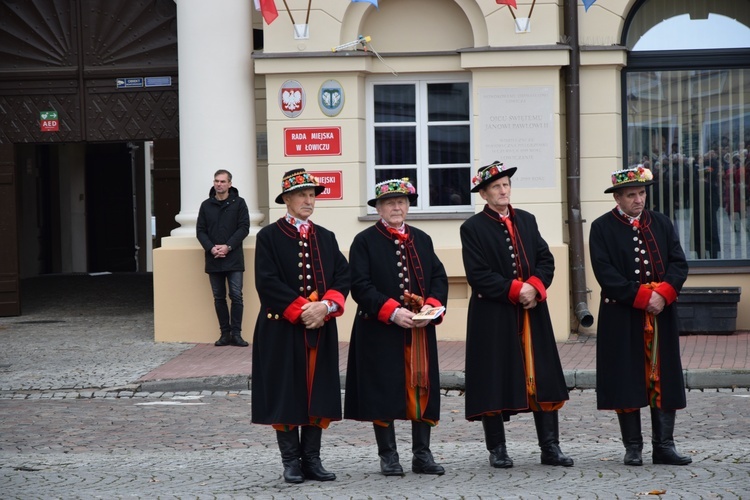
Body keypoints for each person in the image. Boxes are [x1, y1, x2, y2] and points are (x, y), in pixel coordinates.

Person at [460, 161, 573, 469]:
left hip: (532, 312)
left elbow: (545, 260)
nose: (503, 190)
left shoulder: (526, 219)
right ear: (483, 194)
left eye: (506, 184)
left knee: (543, 376)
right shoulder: (472, 228)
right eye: (496, 186)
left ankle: (550, 446)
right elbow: (478, 274)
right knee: (493, 377)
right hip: (493, 316)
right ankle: (497, 449)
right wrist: (515, 290)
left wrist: (534, 287)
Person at [251, 168, 350, 484]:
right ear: (287, 199)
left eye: (312, 195)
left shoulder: (326, 237)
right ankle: (290, 462)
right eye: (302, 195)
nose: (308, 200)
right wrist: (303, 310)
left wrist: (325, 307)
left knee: (317, 392)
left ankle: (312, 460)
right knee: (286, 393)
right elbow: (266, 282)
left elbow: (342, 277)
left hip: (321, 328)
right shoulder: (269, 236)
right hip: (281, 329)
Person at [344, 178, 448, 477]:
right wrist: (391, 311)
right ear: (378, 208)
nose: (396, 207)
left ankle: (422, 455)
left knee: (423, 389)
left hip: (419, 330)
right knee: (383, 391)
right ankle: (388, 456)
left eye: (401, 202)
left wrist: (432, 305)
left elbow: (439, 277)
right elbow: (360, 286)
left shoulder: (422, 239)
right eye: (389, 203)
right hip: (379, 330)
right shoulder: (364, 241)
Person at [589, 165, 692, 466]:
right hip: (622, 314)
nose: (639, 200)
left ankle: (664, 446)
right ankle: (633, 446)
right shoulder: (601, 227)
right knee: (627, 375)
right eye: (631, 194)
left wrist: (664, 294)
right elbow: (605, 274)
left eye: (642, 193)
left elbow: (678, 263)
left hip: (661, 313)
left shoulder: (660, 222)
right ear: (617, 198)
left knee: (663, 376)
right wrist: (644, 298)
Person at [196, 169, 250, 347]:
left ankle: (236, 334)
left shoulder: (239, 203)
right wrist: (211, 248)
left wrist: (228, 246)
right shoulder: (206, 205)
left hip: (233, 258)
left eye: (222, 181)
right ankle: (224, 334)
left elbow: (244, 228)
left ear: (230, 184)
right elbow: (201, 231)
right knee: (219, 297)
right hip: (214, 259)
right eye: (216, 181)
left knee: (236, 295)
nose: (219, 184)